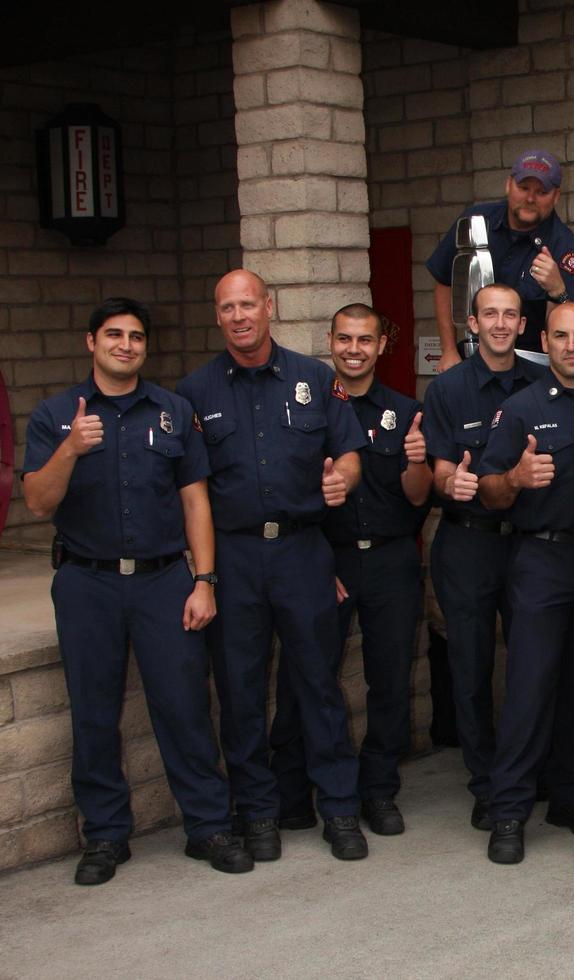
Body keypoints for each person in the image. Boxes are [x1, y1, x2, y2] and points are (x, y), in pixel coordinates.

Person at [21, 297, 253, 884]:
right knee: (94, 713)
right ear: (90, 342)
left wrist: (204, 580)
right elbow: (37, 501)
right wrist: (71, 448)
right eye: (114, 335)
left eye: (136, 337)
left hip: (162, 582)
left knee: (184, 707)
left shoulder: (173, 412)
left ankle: (207, 826)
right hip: (86, 582)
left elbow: (195, 500)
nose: (126, 345)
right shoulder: (55, 416)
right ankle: (104, 836)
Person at [177, 270, 370, 863]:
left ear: (270, 306)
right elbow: (192, 490)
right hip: (234, 557)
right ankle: (257, 812)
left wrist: (342, 480)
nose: (240, 316)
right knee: (239, 691)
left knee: (319, 682)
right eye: (227, 307)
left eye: (248, 304)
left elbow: (351, 455)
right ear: (218, 316)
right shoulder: (194, 393)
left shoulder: (316, 379)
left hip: (301, 551)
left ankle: (338, 807)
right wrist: (202, 573)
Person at [474, 302, 574, 864]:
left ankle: (569, 795)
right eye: (560, 336)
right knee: (530, 688)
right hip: (541, 561)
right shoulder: (521, 409)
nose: (570, 346)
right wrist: (514, 478)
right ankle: (509, 810)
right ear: (544, 340)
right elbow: (488, 489)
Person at [269, 304, 432, 837]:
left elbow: (417, 498)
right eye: (344, 339)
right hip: (324, 558)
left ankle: (378, 790)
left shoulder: (406, 411)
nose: (354, 350)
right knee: (306, 677)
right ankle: (293, 791)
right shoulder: (303, 408)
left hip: (390, 558)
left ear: (382, 344)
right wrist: (316, 557)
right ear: (330, 341)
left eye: (365, 340)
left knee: (389, 679)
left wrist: (417, 460)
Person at [420, 283, 547, 830]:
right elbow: (439, 467)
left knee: (531, 665)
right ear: (471, 324)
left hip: (527, 544)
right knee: (470, 668)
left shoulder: (543, 384)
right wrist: (454, 482)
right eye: (489, 314)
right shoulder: (447, 390)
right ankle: (485, 782)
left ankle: (528, 770)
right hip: (468, 542)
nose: (499, 323)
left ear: (522, 326)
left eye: (510, 315)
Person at [425, 149, 574, 370]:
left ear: (556, 196)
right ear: (508, 185)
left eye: (541, 192)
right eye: (523, 188)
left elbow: (571, 327)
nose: (530, 198)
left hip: (531, 367)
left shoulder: (565, 249)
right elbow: (444, 281)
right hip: (473, 358)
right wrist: (449, 350)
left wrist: (558, 290)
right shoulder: (475, 221)